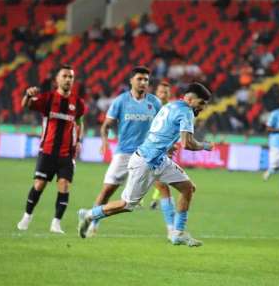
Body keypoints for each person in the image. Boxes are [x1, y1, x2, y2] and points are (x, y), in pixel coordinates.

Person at [78, 83, 213, 247]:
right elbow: (187, 144)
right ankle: (89, 214)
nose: (201, 109)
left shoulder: (170, 106)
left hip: (159, 159)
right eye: (200, 104)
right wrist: (205, 146)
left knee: (188, 188)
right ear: (190, 99)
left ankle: (177, 233)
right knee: (126, 205)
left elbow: (159, 130)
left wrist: (166, 145)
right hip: (145, 162)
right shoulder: (186, 112)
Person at [85, 67, 163, 238]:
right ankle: (91, 222)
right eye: (140, 79)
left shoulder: (155, 103)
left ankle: (172, 227)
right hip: (124, 153)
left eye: (146, 80)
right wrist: (105, 141)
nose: (143, 82)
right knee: (107, 190)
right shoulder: (120, 101)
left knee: (131, 203)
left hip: (145, 156)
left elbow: (162, 127)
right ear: (131, 81)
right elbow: (106, 125)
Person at [16, 65, 85, 234]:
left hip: (66, 154)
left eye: (71, 76)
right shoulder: (48, 98)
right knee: (39, 185)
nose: (68, 79)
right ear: (57, 79)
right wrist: (27, 95)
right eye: (65, 76)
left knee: (64, 185)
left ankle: (56, 223)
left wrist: (80, 140)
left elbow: (80, 121)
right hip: (47, 151)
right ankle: (27, 216)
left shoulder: (78, 103)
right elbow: (26, 105)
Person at [149, 82, 173, 211]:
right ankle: (138, 199)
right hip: (149, 144)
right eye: (161, 92)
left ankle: (155, 199)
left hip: (166, 144)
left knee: (162, 173)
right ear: (156, 93)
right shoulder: (150, 107)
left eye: (166, 92)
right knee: (143, 172)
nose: (163, 95)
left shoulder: (172, 109)